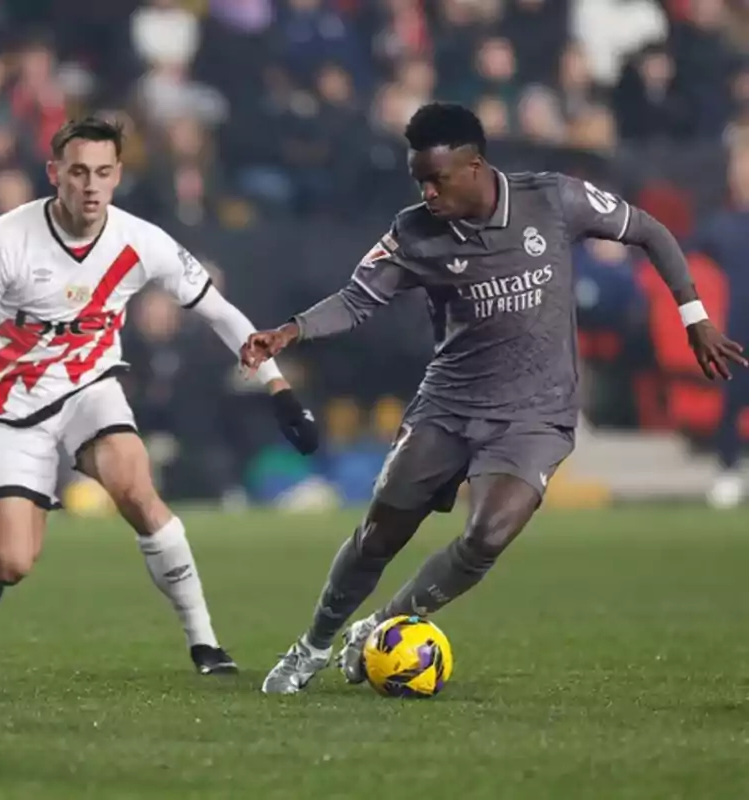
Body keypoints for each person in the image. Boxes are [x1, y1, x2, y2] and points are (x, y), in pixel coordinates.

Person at [246, 102, 745, 695]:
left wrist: (694, 316)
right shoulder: (413, 232)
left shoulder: (554, 199)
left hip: (535, 415)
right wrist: (290, 330)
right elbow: (356, 300)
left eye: (438, 179)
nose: (427, 193)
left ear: (475, 165)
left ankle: (379, 627)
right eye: (419, 181)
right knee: (379, 535)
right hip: (448, 406)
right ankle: (312, 645)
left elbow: (649, 231)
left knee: (487, 533)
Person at [0, 117, 320, 675]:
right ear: (54, 174)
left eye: (104, 173)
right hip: (13, 408)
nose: (91, 185)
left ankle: (205, 642)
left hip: (91, 389)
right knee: (10, 563)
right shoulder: (5, 240)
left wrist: (279, 390)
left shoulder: (141, 241)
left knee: (136, 487)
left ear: (118, 177)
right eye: (79, 172)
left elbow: (222, 313)